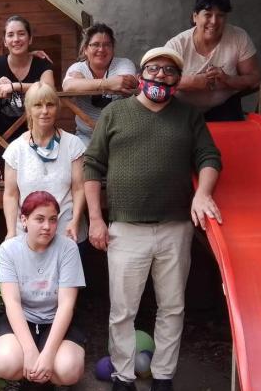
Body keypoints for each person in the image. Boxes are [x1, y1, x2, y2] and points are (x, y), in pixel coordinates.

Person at [83, 47, 223, 391]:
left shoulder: (189, 116)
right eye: (154, 69)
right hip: (124, 230)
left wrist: (203, 193)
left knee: (172, 308)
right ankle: (123, 376)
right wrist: (96, 220)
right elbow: (92, 166)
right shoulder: (115, 114)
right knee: (122, 311)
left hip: (175, 229)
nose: (161, 75)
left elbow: (209, 156)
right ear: (142, 73)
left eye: (170, 71)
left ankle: (163, 377)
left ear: (177, 79)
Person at [0, 191, 86, 390]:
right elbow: (12, 303)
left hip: (56, 319)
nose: (47, 226)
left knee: (69, 369)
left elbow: (66, 305)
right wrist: (30, 352)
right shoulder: (9, 250)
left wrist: (49, 354)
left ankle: (47, 379)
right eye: (40, 219)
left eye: (53, 220)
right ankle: (26, 378)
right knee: (5, 362)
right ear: (24, 220)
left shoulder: (68, 249)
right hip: (22, 318)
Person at [0, 15, 54, 180]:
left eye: (21, 34)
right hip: (0, 134)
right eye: (10, 35)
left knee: (36, 178)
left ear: (30, 38)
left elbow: (49, 88)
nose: (16, 39)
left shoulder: (41, 64)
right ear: (5, 41)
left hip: (36, 133)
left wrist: (15, 86)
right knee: (8, 179)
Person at [2, 82, 86, 248]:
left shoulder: (73, 144)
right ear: (29, 110)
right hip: (27, 238)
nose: (45, 111)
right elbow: (11, 195)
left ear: (57, 108)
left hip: (67, 234)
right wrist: (11, 231)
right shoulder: (15, 149)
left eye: (50, 105)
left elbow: (79, 188)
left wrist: (75, 221)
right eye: (37, 105)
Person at [164, 0, 261, 122]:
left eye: (220, 15)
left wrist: (228, 80)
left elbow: (255, 78)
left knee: (231, 139)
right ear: (195, 17)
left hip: (223, 105)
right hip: (181, 107)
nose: (214, 21)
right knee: (180, 138)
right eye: (208, 14)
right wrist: (193, 82)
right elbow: (160, 80)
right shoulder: (177, 44)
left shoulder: (238, 37)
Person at [62, 22, 137, 146]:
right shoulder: (78, 68)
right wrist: (108, 83)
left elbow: (125, 82)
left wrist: (84, 83)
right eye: (95, 44)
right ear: (85, 49)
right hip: (87, 136)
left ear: (113, 49)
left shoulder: (124, 64)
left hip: (122, 134)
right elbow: (68, 86)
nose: (101, 49)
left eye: (107, 45)